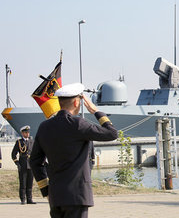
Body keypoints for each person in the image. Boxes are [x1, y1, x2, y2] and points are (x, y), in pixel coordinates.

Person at [30, 83, 118, 218]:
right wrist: (96, 111)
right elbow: (112, 133)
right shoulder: (79, 124)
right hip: (77, 196)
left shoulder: (44, 127)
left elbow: (35, 162)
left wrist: (46, 191)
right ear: (77, 102)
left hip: (55, 197)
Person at [12, 125, 35, 204]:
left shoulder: (32, 141)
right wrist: (17, 163)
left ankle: (29, 199)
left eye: (28, 132)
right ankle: (23, 199)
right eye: (26, 132)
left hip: (31, 165)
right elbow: (13, 154)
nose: (27, 134)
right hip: (23, 164)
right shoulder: (19, 142)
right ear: (22, 133)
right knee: (23, 183)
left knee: (30, 183)